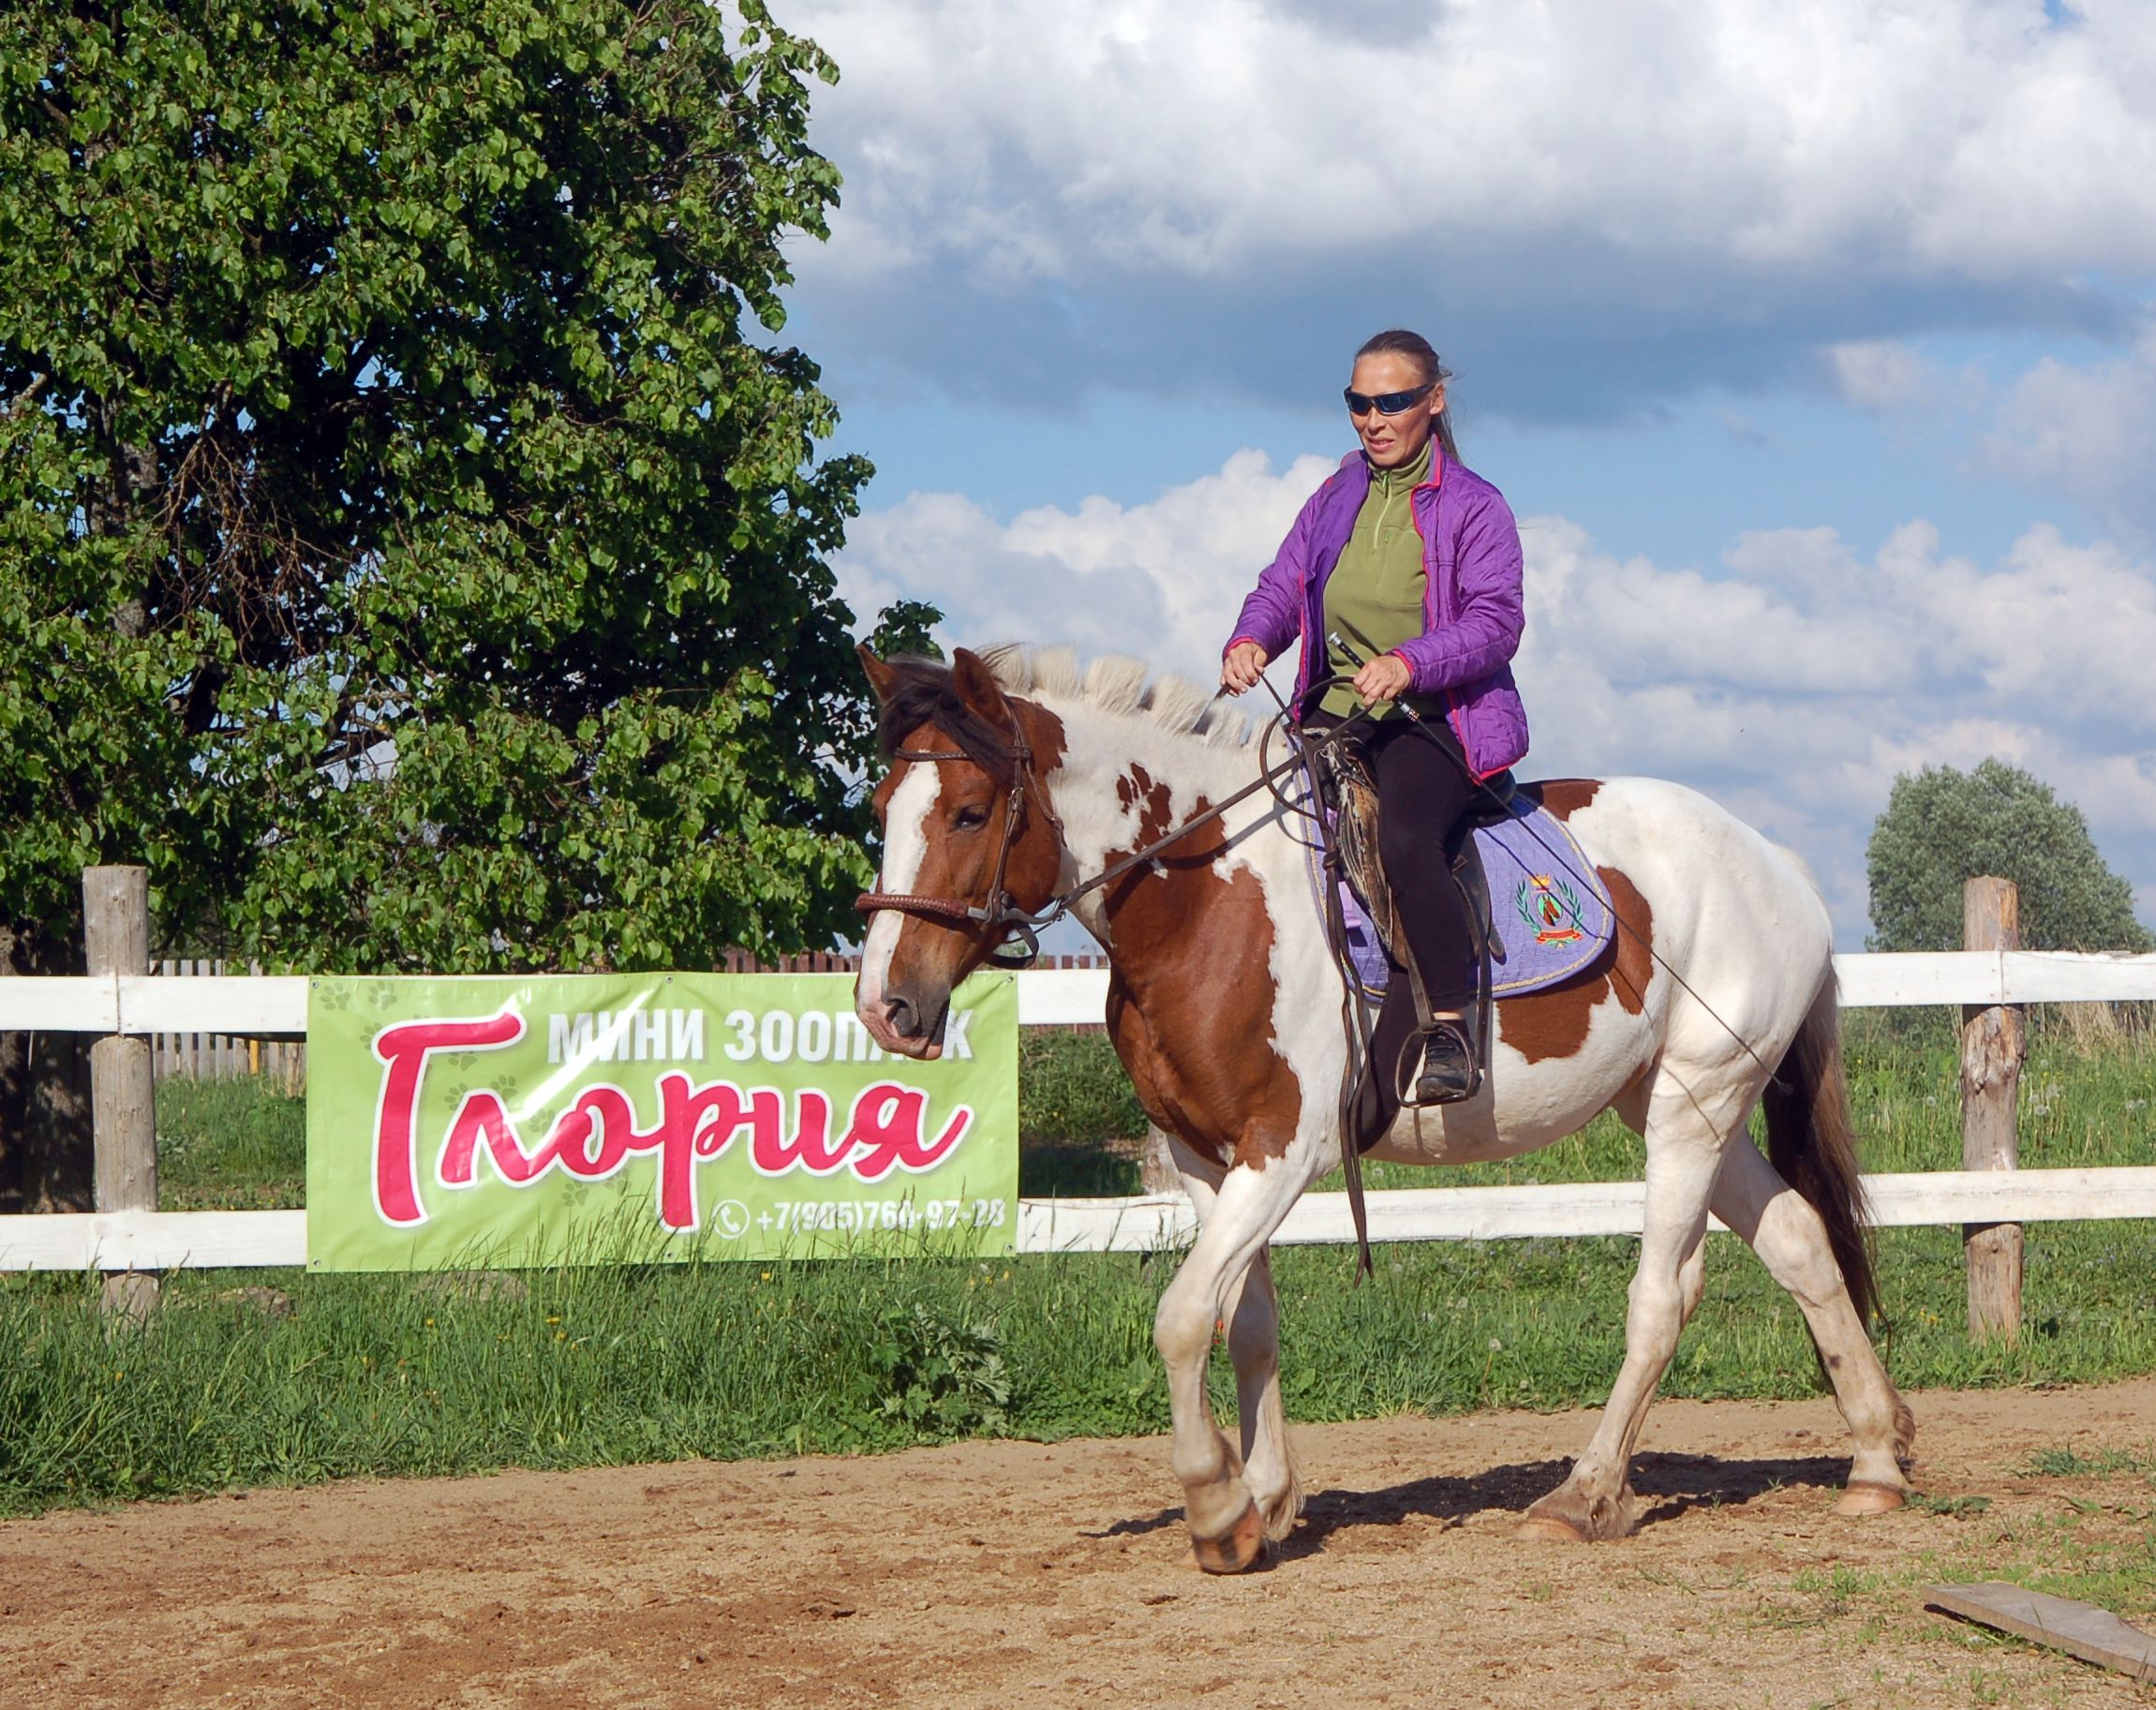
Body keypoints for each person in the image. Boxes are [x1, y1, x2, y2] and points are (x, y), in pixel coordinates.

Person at [1221, 328, 1528, 1108]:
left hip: (1434, 719)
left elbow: (1496, 622)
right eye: (1358, 403)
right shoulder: (1334, 495)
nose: (1372, 419)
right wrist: (1251, 637)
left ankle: (1450, 1026)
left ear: (1434, 400)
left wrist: (1409, 662)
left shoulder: (1476, 506)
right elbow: (1282, 584)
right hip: (1331, 714)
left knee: (1403, 839)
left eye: (1392, 402)